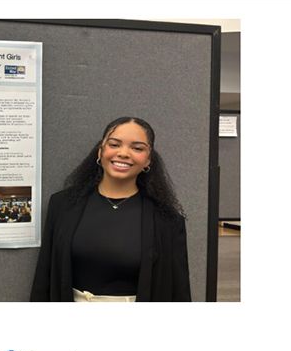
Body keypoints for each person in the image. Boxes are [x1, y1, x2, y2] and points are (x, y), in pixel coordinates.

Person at [31, 117, 191, 301]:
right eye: (114, 144)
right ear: (100, 151)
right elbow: (44, 276)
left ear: (148, 160)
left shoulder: (166, 219)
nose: (123, 153)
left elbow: (179, 289)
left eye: (137, 148)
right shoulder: (63, 204)